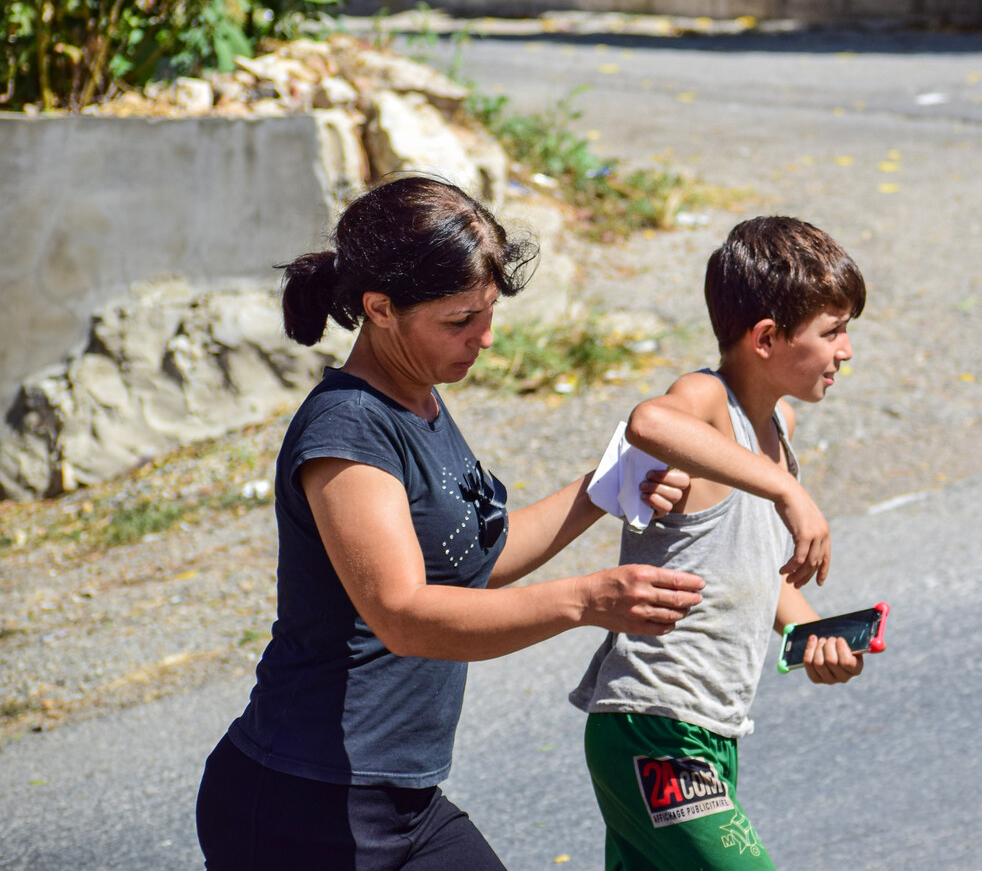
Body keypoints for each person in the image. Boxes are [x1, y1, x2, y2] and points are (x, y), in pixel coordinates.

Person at [195, 176, 704, 871]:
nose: (484, 339)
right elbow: (403, 614)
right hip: (302, 805)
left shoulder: (420, 398)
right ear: (380, 308)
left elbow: (473, 562)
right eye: (459, 320)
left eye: (488, 312)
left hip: (401, 802)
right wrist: (588, 599)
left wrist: (603, 488)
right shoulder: (348, 428)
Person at [570, 216, 869, 870]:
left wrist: (813, 632)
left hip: (708, 733)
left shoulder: (778, 424)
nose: (846, 350)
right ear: (767, 337)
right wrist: (789, 492)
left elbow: (752, 567)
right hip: (654, 727)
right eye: (834, 331)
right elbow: (649, 421)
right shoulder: (707, 402)